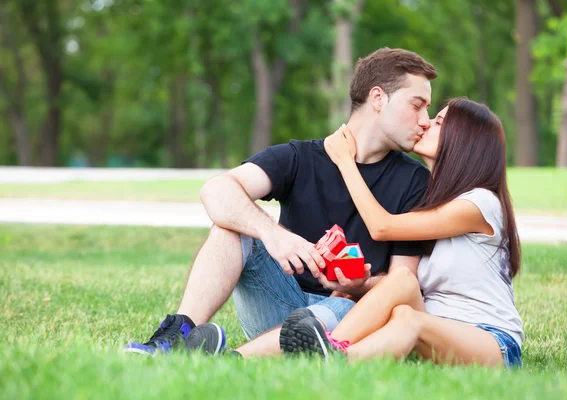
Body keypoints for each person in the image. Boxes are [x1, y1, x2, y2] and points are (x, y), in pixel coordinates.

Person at [123, 48, 437, 357]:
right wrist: (273, 234)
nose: (425, 120)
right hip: (277, 300)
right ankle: (176, 336)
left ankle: (231, 359)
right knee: (230, 227)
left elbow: (402, 283)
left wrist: (359, 285)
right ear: (379, 98)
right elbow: (216, 191)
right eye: (417, 105)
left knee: (344, 304)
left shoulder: (415, 182)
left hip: (345, 318)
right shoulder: (300, 157)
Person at [280, 98, 524, 369]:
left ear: (464, 141)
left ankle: (333, 355)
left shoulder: (480, 203)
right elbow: (405, 282)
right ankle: (328, 350)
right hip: (434, 330)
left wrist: (345, 162)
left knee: (409, 319)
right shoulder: (436, 202)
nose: (425, 123)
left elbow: (381, 226)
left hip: (491, 341)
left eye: (438, 122)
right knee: (403, 284)